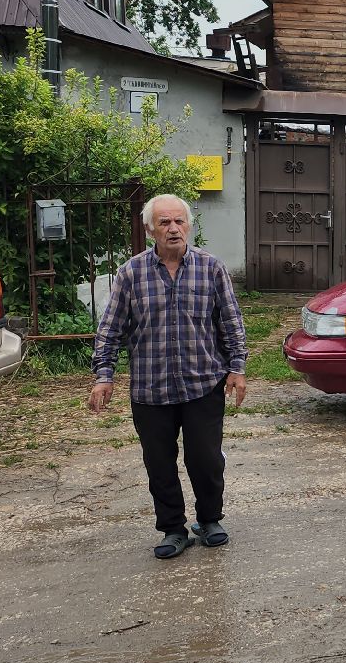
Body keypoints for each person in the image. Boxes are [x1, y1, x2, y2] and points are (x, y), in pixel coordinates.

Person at [89, 194, 248, 560]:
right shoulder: (131, 273)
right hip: (150, 388)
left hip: (202, 383)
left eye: (179, 221)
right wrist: (104, 375)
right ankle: (173, 529)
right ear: (150, 230)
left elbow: (231, 323)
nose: (173, 229)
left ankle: (209, 520)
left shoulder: (211, 268)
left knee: (206, 460)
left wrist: (237, 368)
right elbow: (110, 328)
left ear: (188, 226)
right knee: (159, 464)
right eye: (164, 223)